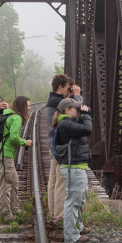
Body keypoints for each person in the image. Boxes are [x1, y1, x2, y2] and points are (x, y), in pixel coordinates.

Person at [53, 98, 92, 243]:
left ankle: (77, 227)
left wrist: (84, 114)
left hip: (77, 166)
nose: (79, 110)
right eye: (76, 108)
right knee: (73, 201)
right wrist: (86, 115)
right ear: (67, 110)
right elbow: (88, 129)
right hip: (73, 168)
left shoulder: (69, 123)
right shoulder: (65, 124)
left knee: (79, 199)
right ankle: (71, 237)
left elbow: (84, 128)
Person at [44, 74, 81, 227]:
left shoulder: (52, 100)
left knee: (53, 182)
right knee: (61, 182)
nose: (69, 91)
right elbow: (79, 112)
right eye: (68, 88)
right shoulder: (59, 103)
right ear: (60, 87)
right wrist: (77, 96)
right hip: (61, 148)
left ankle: (53, 213)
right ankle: (59, 217)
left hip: (53, 146)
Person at [0, 96, 32, 221]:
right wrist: (25, 142)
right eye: (28, 106)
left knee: (14, 181)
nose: (30, 108)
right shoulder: (17, 118)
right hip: (4, 154)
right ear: (23, 107)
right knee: (6, 183)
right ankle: (5, 213)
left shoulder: (11, 116)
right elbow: (14, 137)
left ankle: (15, 208)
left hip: (3, 153)